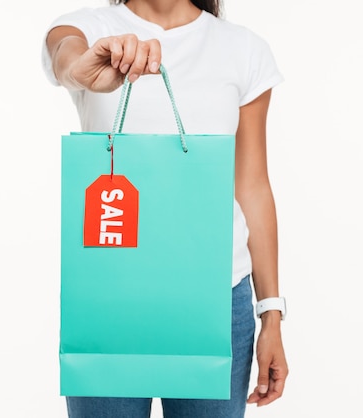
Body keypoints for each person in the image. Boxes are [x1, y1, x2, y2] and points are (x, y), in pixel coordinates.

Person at [42, 0, 289, 416]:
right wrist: (82, 68)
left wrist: (271, 314)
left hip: (217, 297)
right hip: (109, 298)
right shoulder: (87, 26)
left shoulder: (244, 49)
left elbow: (251, 186)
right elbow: (66, 53)